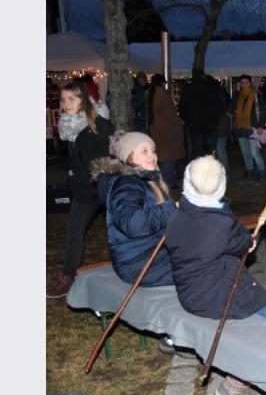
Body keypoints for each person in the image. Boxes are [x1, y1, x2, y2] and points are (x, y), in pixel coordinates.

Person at [165, 156, 266, 395]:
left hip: (188, 293)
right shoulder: (222, 224)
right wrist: (249, 242)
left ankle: (183, 343)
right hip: (213, 297)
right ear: (221, 187)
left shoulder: (177, 213)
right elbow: (244, 243)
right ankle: (236, 384)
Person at [90, 131, 193, 358]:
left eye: (153, 150)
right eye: (144, 151)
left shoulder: (144, 179)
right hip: (140, 261)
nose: (152, 155)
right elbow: (132, 224)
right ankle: (177, 337)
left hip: (150, 253)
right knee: (201, 269)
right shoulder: (127, 184)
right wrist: (168, 210)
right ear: (129, 157)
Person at [47, 82, 115, 298]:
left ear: (84, 100)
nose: (66, 104)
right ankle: (68, 276)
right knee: (74, 232)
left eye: (71, 99)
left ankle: (127, 269)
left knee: (117, 231)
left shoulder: (100, 125)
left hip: (105, 188)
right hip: (83, 191)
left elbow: (117, 152)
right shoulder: (69, 127)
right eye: (63, 99)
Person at [178, 70, 228, 159]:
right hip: (210, 125)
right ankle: (211, 171)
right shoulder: (211, 88)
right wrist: (216, 118)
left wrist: (187, 120)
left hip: (195, 126)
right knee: (211, 151)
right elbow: (221, 105)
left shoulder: (188, 89)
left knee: (197, 151)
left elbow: (182, 108)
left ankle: (198, 171)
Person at [148, 74, 186, 188]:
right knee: (168, 158)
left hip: (156, 128)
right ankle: (167, 182)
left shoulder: (150, 94)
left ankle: (164, 181)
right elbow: (170, 113)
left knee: (163, 157)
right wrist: (179, 125)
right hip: (167, 130)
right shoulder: (162, 94)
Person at [232, 74, 266, 183]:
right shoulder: (239, 95)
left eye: (246, 82)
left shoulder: (256, 95)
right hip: (241, 128)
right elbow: (232, 107)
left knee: (254, 153)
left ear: (250, 83)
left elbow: (263, 111)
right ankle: (249, 173)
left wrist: (261, 125)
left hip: (253, 128)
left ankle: (262, 175)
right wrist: (236, 92)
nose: (244, 84)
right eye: (242, 82)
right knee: (245, 152)